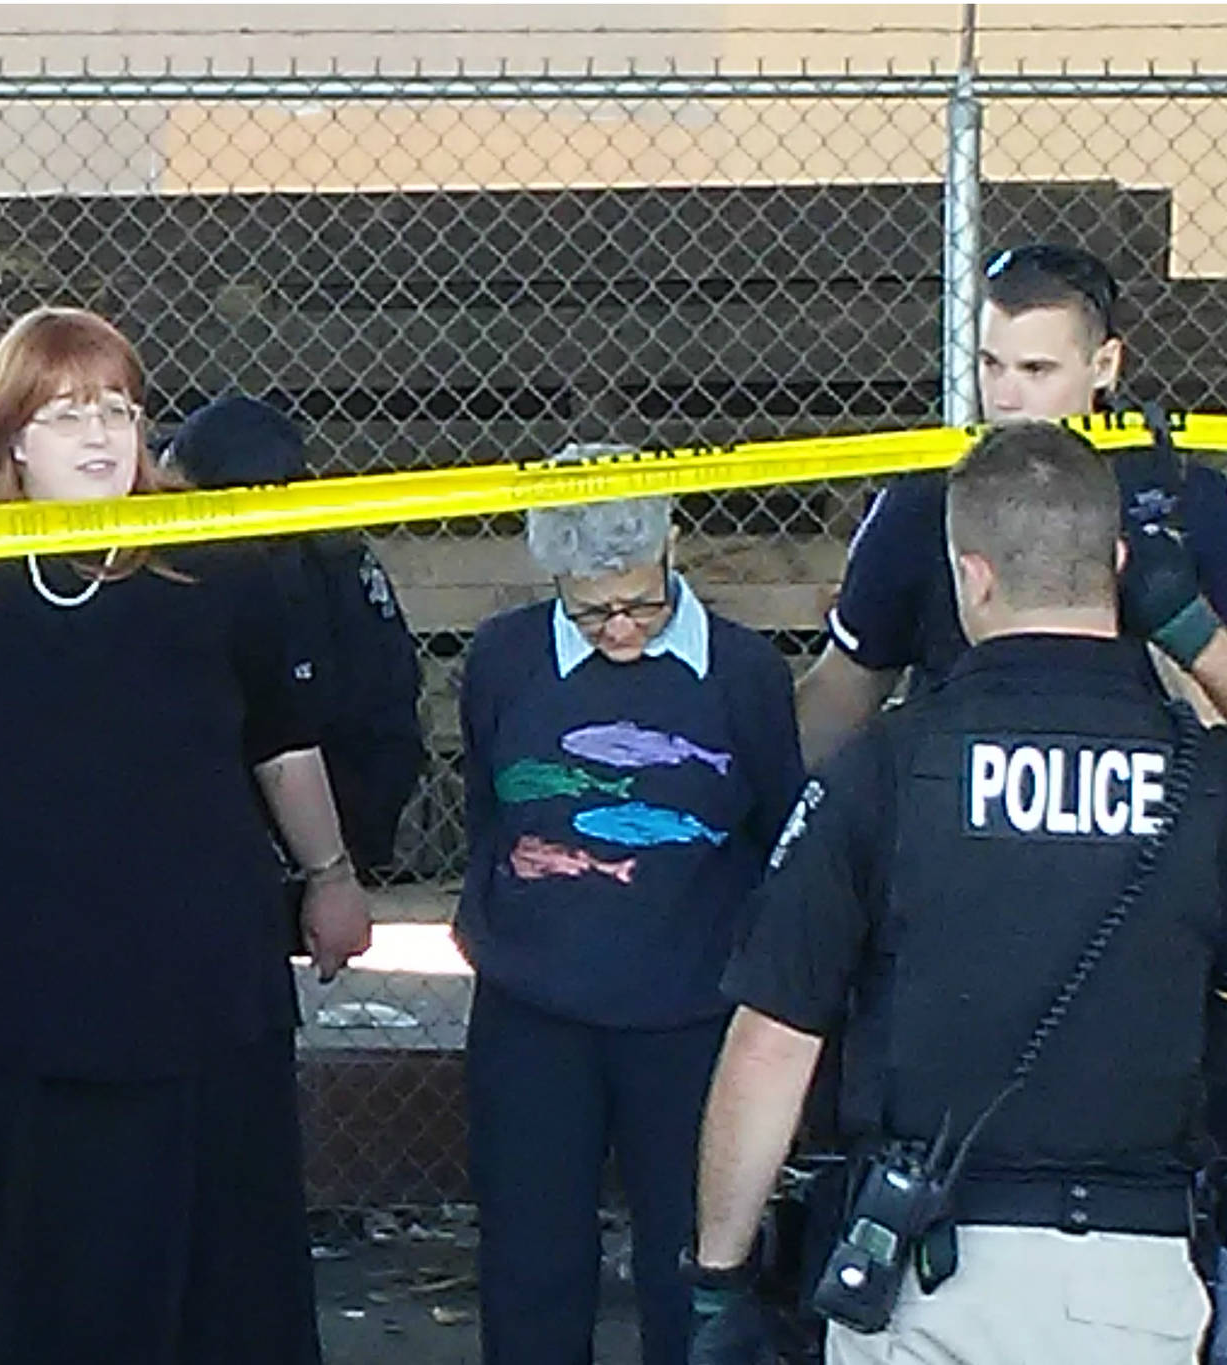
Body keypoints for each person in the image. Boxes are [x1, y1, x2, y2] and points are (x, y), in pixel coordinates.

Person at [0, 306, 372, 1364]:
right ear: (10, 439)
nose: (99, 436)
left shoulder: (213, 566)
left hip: (180, 974)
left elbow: (283, 742)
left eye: (118, 410)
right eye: (65, 413)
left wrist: (328, 874)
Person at [687, 422, 1223, 1365]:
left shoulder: (884, 771)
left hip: (932, 1274)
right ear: (1122, 565)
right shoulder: (1203, 781)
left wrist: (720, 1279)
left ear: (972, 577)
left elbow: (770, 1044)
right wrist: (1201, 641)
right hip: (1139, 1283)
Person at [458, 474, 803, 1365]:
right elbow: (489, 812)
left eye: (642, 603)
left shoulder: (744, 672)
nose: (620, 627)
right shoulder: (504, 658)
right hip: (533, 1007)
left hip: (689, 1010)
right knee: (531, 1261)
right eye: (591, 611)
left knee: (687, 1260)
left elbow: (771, 828)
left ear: (672, 553)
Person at [795, 241, 1227, 766]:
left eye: (1036, 370)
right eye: (991, 364)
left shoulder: (1187, 502)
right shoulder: (921, 503)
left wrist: (1188, 632)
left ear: (1105, 364)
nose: (1005, 397)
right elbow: (840, 696)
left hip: (1148, 817)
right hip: (959, 808)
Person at [160, 392, 425, 879]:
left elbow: (383, 724)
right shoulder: (128, 510)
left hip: (308, 797)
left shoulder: (327, 563)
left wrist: (339, 861)